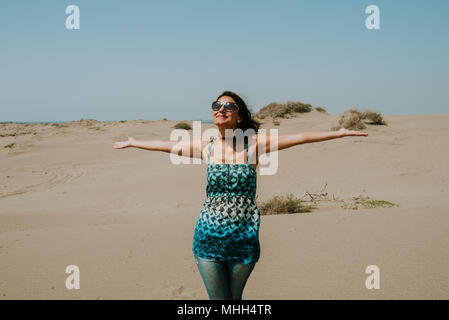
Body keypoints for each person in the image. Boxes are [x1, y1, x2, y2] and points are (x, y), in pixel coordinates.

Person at [112, 90, 368, 300]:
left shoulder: (255, 144)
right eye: (217, 104)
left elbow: (300, 137)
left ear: (240, 115)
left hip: (244, 238)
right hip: (208, 236)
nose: (221, 109)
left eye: (229, 106)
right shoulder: (206, 147)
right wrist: (135, 142)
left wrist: (340, 133)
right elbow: (166, 146)